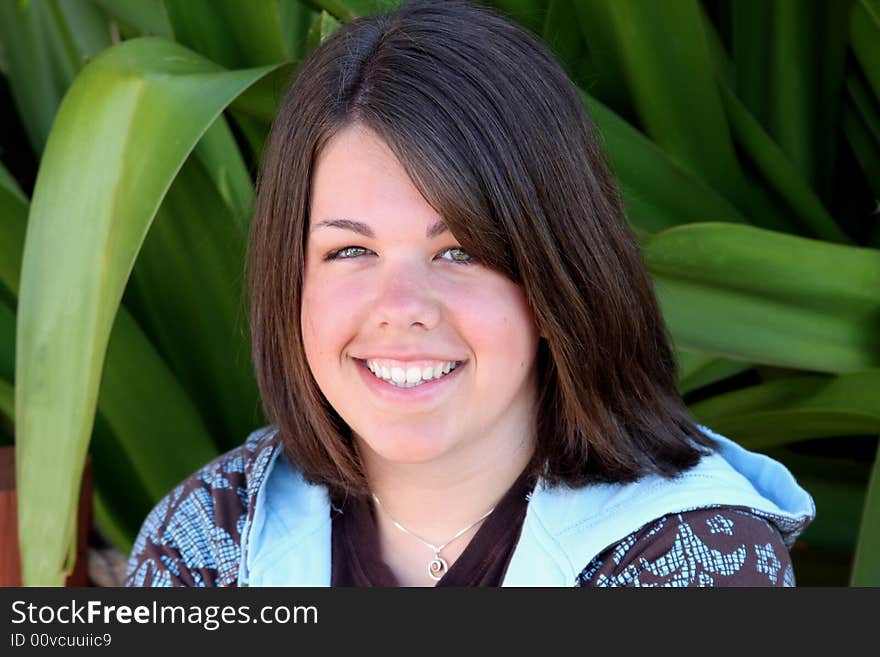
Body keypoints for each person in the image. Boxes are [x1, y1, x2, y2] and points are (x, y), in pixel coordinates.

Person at [125, 0, 815, 587]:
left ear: (557, 279)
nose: (401, 306)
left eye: (459, 251)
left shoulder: (696, 564)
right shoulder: (207, 542)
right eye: (350, 250)